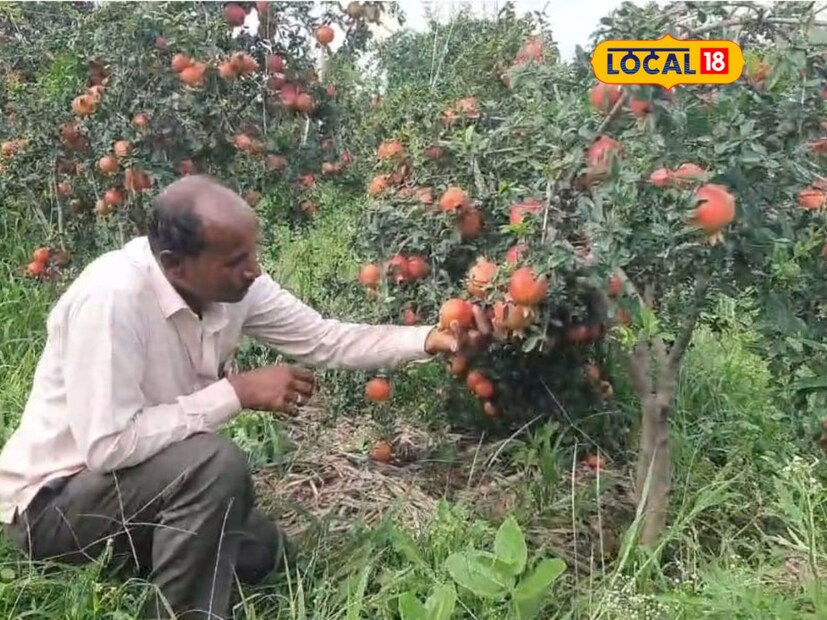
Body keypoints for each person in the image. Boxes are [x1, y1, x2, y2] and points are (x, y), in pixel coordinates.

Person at [0, 175, 491, 619]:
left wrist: (431, 338)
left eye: (253, 253)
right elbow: (107, 446)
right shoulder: (112, 300)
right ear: (175, 265)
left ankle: (150, 559)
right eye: (236, 261)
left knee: (263, 554)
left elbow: (324, 339)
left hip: (134, 486)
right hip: (52, 508)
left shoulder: (233, 287)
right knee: (214, 464)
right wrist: (235, 392)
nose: (254, 270)